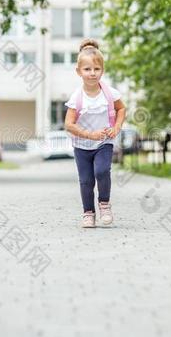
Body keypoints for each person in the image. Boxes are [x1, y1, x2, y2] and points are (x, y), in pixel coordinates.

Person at [64, 39, 126, 228]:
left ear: (102, 70)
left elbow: (121, 109)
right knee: (86, 180)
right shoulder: (77, 97)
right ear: (79, 71)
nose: (92, 73)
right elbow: (68, 124)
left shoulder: (110, 93)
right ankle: (88, 213)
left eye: (96, 69)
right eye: (87, 69)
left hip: (104, 143)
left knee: (101, 171)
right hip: (82, 146)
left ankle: (104, 205)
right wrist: (89, 135)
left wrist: (116, 127)